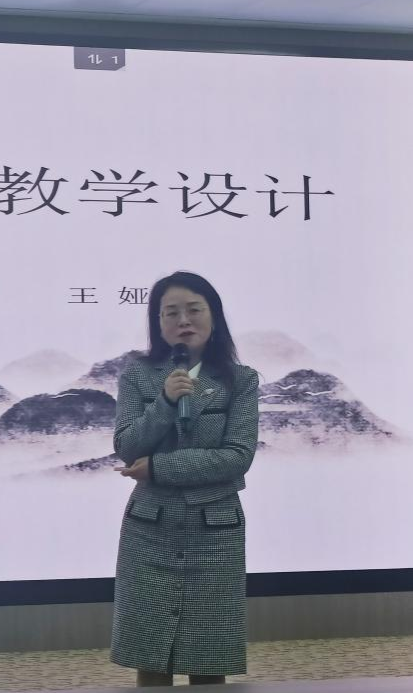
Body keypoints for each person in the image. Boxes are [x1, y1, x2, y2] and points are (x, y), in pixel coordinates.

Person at [111, 271, 260, 687]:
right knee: (150, 655)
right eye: (170, 312)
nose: (183, 320)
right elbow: (127, 446)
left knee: (208, 657)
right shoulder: (137, 376)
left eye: (194, 310)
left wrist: (159, 468)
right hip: (149, 527)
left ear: (214, 317)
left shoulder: (241, 380)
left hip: (215, 530)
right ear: (158, 322)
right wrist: (164, 401)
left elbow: (237, 457)